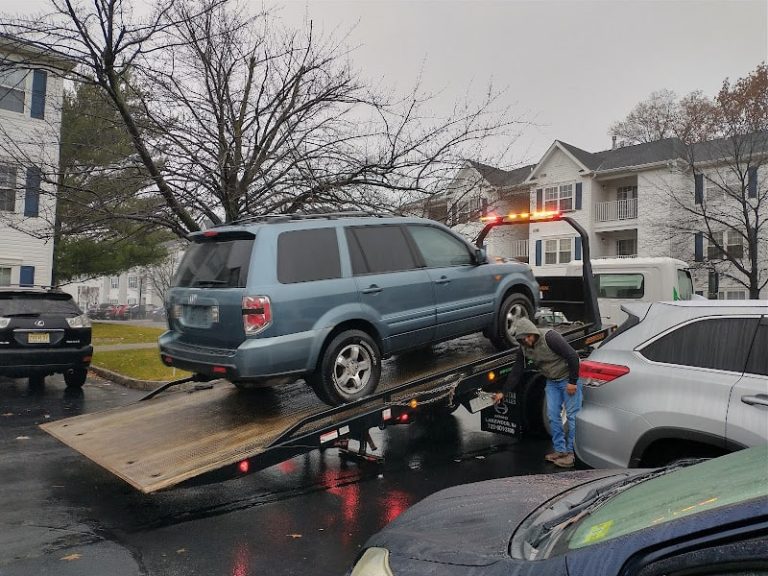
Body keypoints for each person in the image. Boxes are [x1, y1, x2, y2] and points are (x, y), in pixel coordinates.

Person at [497, 317, 582, 468]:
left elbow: (573, 356)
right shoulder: (524, 347)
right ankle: (560, 451)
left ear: (532, 333)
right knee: (552, 416)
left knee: (572, 416)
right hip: (552, 381)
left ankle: (572, 454)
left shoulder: (550, 338)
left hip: (567, 379)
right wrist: (503, 392)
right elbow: (517, 371)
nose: (526, 341)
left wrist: (573, 382)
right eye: (522, 339)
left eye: (527, 337)